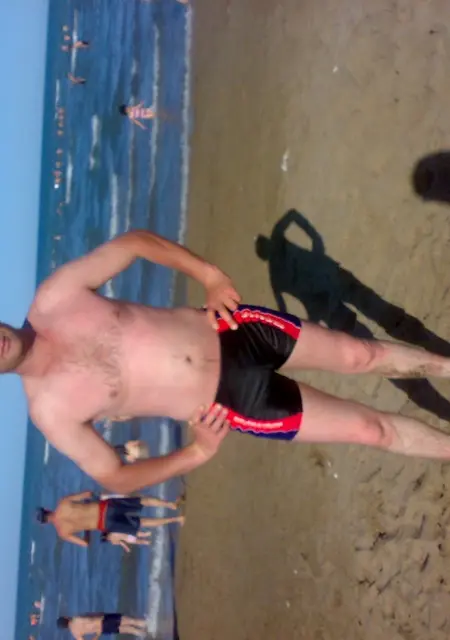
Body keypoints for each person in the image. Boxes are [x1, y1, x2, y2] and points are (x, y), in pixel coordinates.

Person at [3, 231, 450, 494]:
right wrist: (196, 453)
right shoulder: (50, 410)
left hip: (233, 329)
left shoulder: (55, 297)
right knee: (370, 431)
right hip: (235, 402)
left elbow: (132, 244)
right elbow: (114, 477)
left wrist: (209, 276)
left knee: (361, 354)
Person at [36, 491, 184, 546]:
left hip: (104, 524)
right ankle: (170, 505)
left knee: (141, 522)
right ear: (47, 510)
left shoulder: (62, 532)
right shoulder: (62, 503)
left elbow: (85, 543)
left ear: (45, 523)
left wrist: (86, 529)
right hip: (105, 507)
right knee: (142, 501)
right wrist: (89, 501)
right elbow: (87, 494)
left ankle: (176, 519)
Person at [56, 614, 146, 638]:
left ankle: (144, 635)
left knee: (128, 630)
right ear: (66, 618)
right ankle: (148, 624)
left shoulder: (75, 633)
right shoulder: (76, 618)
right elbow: (90, 617)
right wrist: (101, 614)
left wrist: (97, 635)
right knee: (132, 621)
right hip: (102, 620)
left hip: (102, 629)